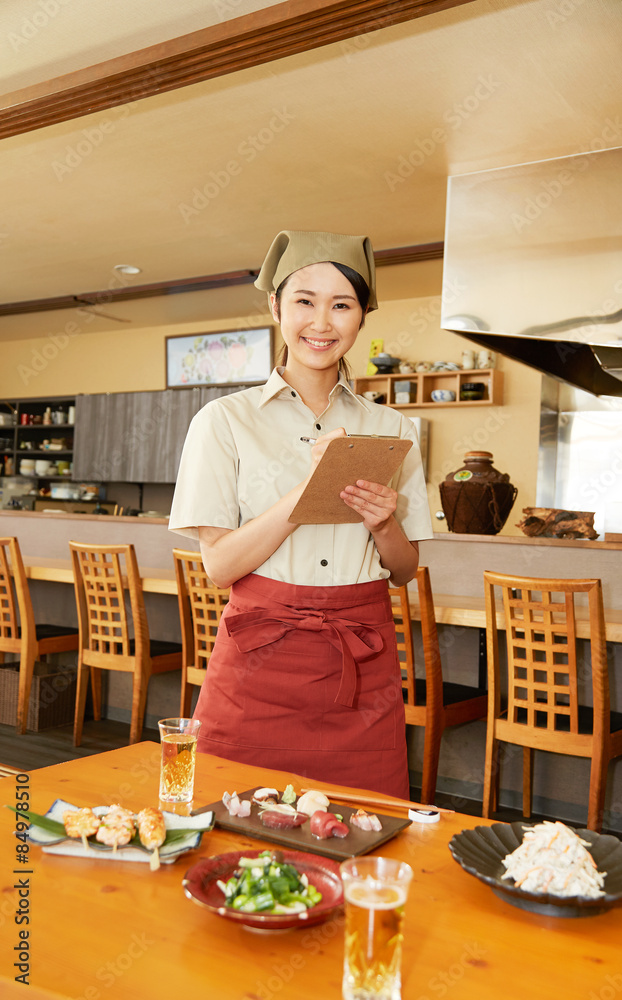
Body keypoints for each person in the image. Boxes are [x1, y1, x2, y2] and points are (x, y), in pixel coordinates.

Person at [169, 230, 432, 797]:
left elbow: (405, 569)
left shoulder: (393, 428)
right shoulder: (224, 421)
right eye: (305, 301)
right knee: (232, 823)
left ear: (362, 317)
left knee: (366, 831)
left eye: (342, 305)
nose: (322, 322)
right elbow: (219, 567)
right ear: (275, 308)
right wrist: (308, 492)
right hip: (258, 661)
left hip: (361, 663)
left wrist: (384, 523)